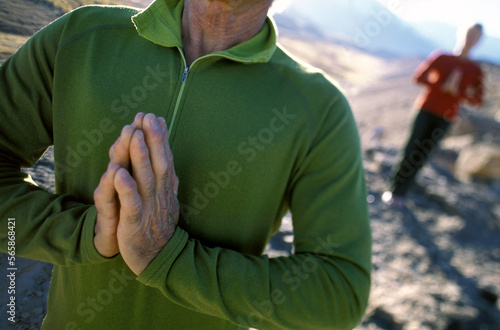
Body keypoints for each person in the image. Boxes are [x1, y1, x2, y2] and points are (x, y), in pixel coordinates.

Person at [0, 0, 371, 329]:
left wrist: (167, 258)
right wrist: (86, 233)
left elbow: (337, 295)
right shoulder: (81, 38)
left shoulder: (319, 109)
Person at [383, 23, 484, 207]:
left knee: (423, 154)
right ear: (461, 33)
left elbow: (478, 99)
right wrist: (442, 86)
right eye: (469, 34)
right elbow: (419, 77)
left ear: (478, 41)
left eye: (475, 37)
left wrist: (458, 92)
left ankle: (402, 194)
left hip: (446, 117)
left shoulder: (475, 70)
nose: (470, 39)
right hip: (426, 109)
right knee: (411, 148)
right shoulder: (441, 57)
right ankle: (393, 189)